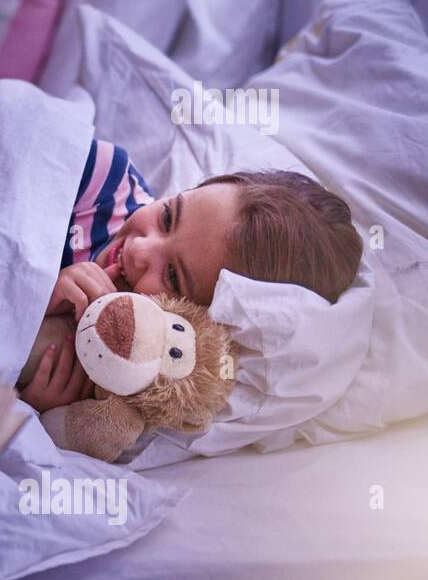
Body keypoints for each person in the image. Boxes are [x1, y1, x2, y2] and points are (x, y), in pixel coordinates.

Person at [20, 140, 363, 412]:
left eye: (172, 275)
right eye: (168, 217)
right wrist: (33, 290)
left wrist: (35, 407)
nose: (140, 250)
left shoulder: (118, 369)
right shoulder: (102, 181)